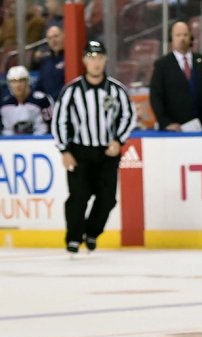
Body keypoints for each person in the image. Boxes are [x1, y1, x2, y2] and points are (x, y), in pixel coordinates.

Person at [51, 41, 136, 254]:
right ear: (84, 60)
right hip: (80, 151)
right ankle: (73, 238)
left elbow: (129, 115)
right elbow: (59, 120)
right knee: (78, 196)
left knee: (107, 198)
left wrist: (119, 140)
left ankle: (91, 232)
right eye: (91, 57)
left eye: (99, 57)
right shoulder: (71, 91)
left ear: (105, 59)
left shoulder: (116, 89)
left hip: (107, 151)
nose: (95, 62)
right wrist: (64, 150)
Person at [1, 65, 52, 135]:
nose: (17, 85)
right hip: (10, 143)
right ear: (9, 84)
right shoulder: (4, 103)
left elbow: (51, 124)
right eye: (13, 81)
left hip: (40, 142)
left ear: (27, 81)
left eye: (21, 81)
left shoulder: (41, 100)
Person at [32, 25, 66, 100]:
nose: (53, 41)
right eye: (49, 38)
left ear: (64, 35)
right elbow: (39, 85)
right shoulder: (45, 61)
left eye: (56, 36)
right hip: (48, 107)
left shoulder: (71, 58)